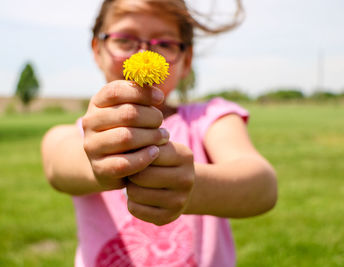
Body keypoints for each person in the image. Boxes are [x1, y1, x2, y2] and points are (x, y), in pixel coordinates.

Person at [41, 0, 278, 266]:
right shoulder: (78, 136)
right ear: (97, 50)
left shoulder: (210, 118)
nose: (142, 52)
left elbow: (263, 187)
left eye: (164, 44)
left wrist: (193, 187)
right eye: (125, 39)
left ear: (186, 61)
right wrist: (98, 161)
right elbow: (56, 163)